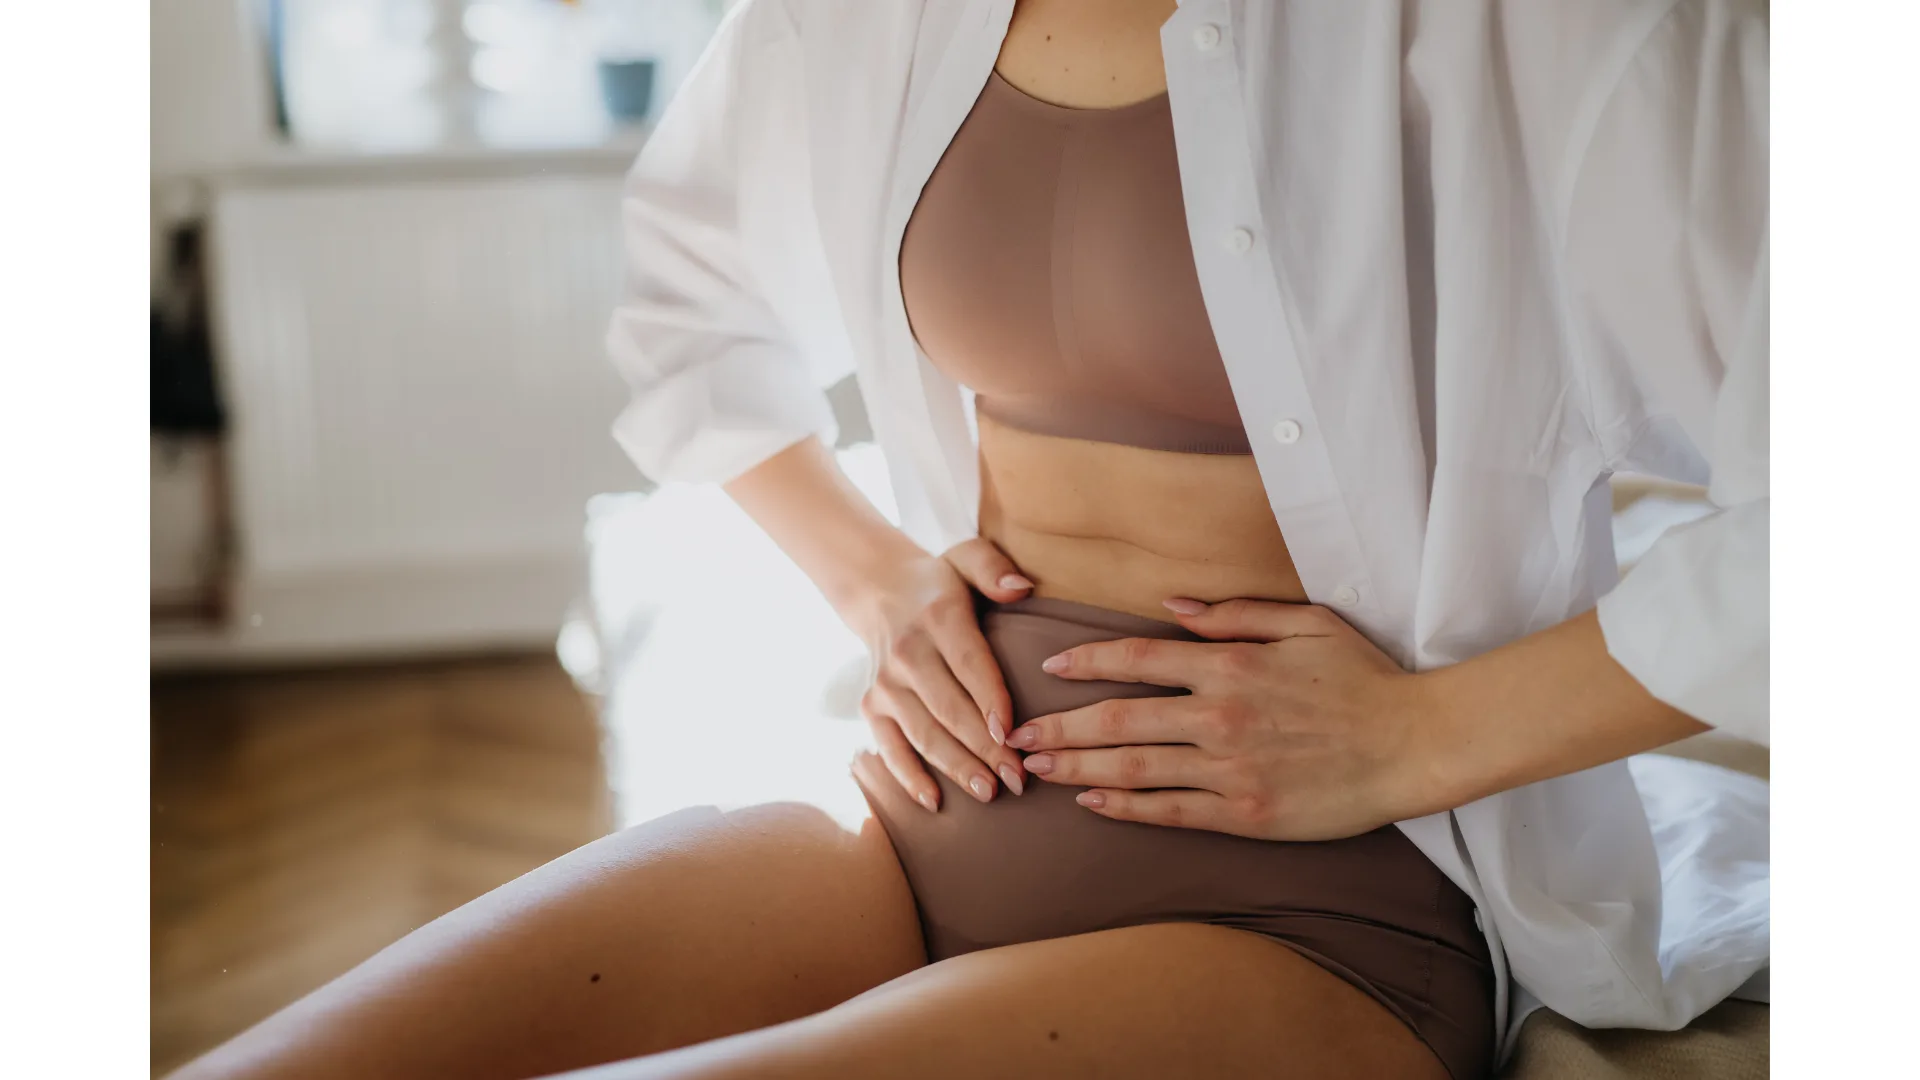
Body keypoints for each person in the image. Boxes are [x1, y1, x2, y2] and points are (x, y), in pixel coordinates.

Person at [171, 1, 1768, 1078]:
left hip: (1326, 906)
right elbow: (689, 308)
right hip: (920, 816)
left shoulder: (1552, 31)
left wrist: (1416, 740)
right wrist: (876, 579)